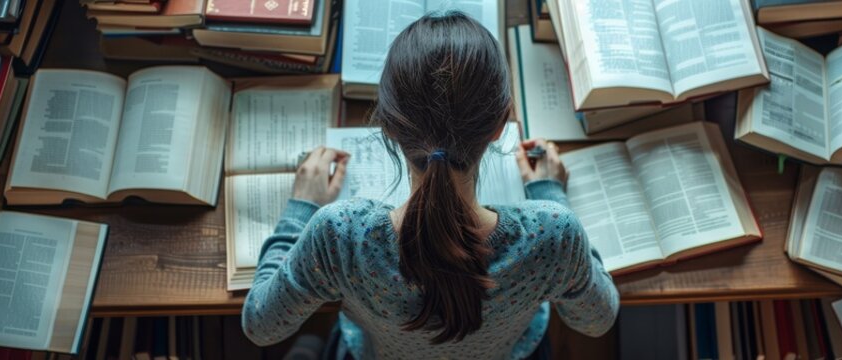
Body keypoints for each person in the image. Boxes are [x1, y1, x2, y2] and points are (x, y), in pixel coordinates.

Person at [242, 12, 619, 359]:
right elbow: (596, 320)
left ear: (386, 127)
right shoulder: (553, 234)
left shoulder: (339, 234)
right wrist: (550, 192)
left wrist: (301, 209)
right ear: (499, 126)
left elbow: (261, 325)